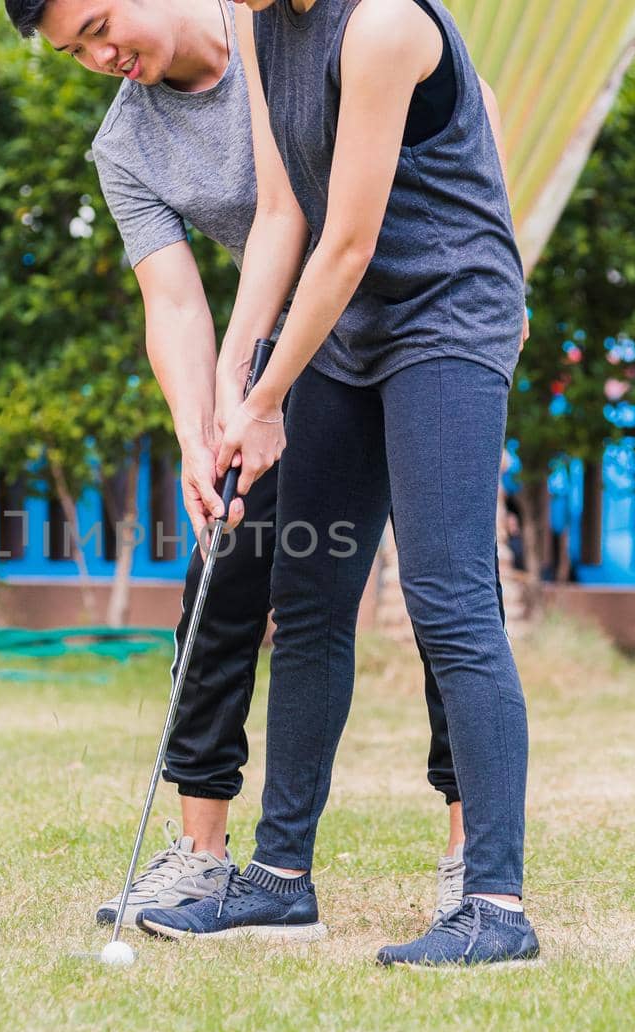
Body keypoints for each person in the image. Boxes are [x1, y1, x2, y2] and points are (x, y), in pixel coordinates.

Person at [2, 0, 475, 929]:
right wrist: (199, 428)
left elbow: (460, 103)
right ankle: (205, 856)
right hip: (281, 360)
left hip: (411, 322)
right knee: (223, 585)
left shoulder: (283, 21)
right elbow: (174, 304)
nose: (103, 57)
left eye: (100, 25)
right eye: (75, 53)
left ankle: (470, 845)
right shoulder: (126, 148)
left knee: (445, 594)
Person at [134, 0, 538, 967]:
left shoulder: (386, 24)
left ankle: (497, 906)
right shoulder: (257, 15)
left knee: (449, 599)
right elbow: (285, 214)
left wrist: (268, 395)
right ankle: (279, 883)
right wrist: (237, 382)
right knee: (307, 600)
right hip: (344, 327)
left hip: (447, 312)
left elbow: (349, 242)